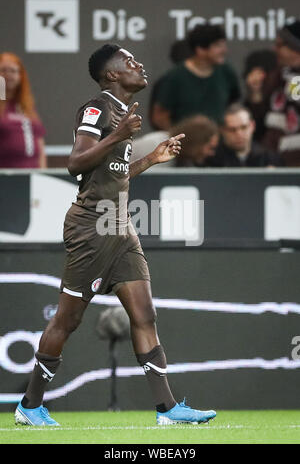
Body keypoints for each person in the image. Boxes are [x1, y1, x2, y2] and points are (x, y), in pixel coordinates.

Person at [15, 44, 216, 426]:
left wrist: (150, 159)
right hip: (91, 227)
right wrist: (118, 134)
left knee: (145, 314)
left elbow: (112, 174)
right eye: (130, 62)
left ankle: (167, 410)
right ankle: (29, 405)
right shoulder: (98, 108)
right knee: (67, 320)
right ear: (112, 75)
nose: (139, 65)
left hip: (120, 227)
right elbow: (75, 163)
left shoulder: (123, 113)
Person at [151, 24, 241, 130]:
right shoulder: (175, 77)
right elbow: (160, 116)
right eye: (217, 46)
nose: (224, 50)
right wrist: (177, 139)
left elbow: (233, 104)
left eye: (223, 45)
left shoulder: (226, 72)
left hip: (219, 142)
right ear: (200, 49)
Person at [245, 21, 300, 166]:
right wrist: (255, 93)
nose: (274, 49)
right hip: (272, 158)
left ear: (296, 49)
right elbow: (259, 121)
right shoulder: (276, 77)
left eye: (280, 45)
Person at [0, 52, 47, 168]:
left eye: (13, 71)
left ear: (21, 76)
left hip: (31, 173)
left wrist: (43, 172)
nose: (8, 75)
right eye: (4, 70)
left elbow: (39, 143)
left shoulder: (26, 106)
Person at [206, 104, 280, 167]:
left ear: (252, 126)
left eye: (244, 127)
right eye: (232, 130)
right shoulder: (211, 159)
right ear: (222, 130)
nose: (239, 134)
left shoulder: (268, 159)